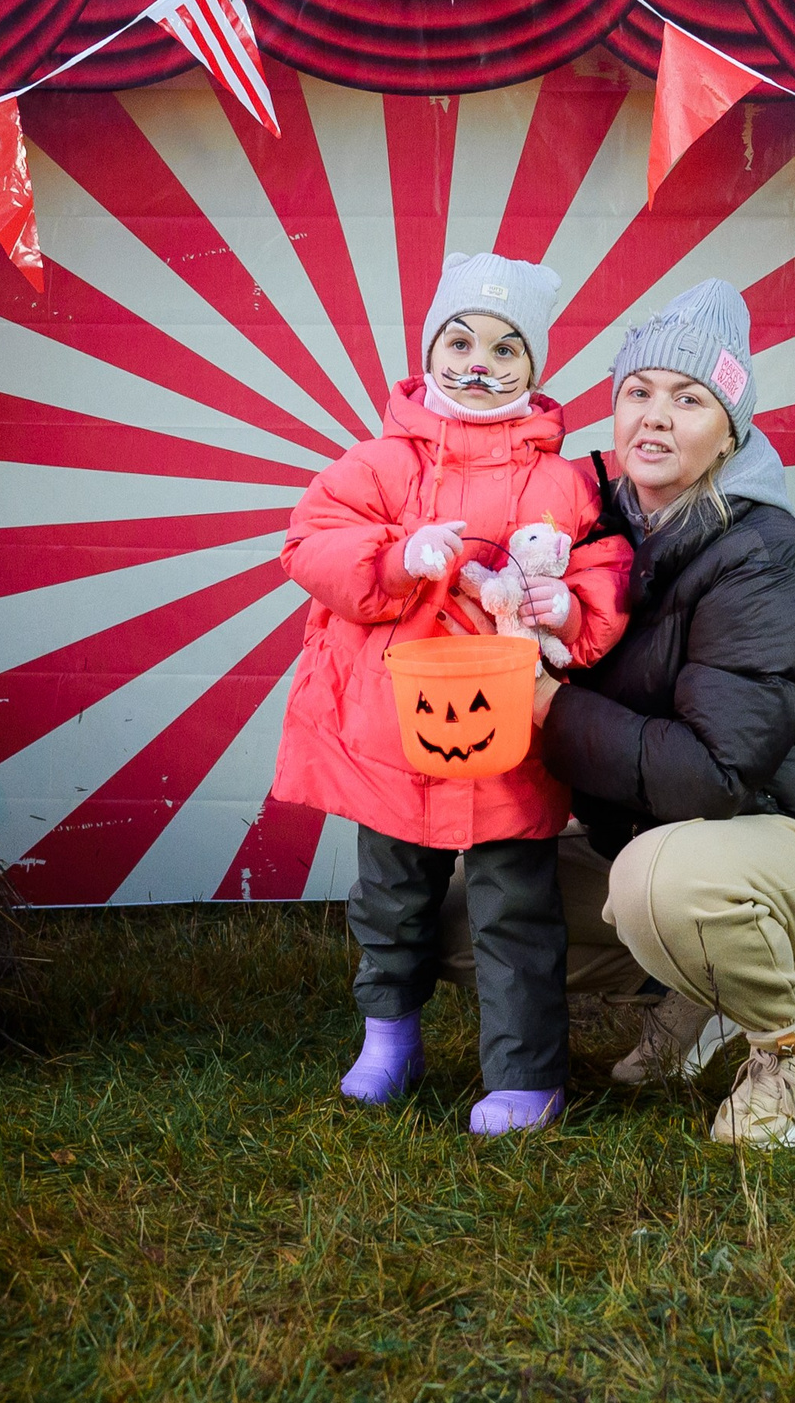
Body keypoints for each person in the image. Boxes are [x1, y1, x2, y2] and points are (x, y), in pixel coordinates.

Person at [533, 280, 795, 1149]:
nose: (656, 417)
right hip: (679, 838)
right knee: (473, 907)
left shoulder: (762, 555)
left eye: (690, 398)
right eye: (639, 392)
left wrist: (549, 708)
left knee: (661, 884)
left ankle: (789, 1046)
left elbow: (713, 775)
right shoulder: (598, 533)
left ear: (730, 430)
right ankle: (693, 990)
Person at [274, 251, 632, 1135]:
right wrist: (399, 558)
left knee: (517, 906)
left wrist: (568, 601)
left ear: (535, 370)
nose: (479, 362)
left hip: (507, 732)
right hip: (397, 727)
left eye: (507, 349)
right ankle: (389, 1037)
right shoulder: (382, 462)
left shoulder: (566, 480)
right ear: (431, 350)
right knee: (390, 896)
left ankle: (524, 1073)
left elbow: (608, 569)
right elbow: (309, 541)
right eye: (461, 339)